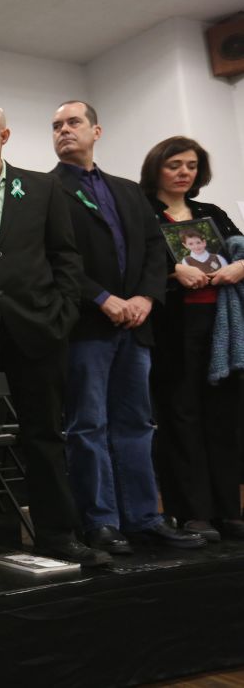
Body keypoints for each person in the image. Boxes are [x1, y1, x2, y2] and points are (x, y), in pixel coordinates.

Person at [0, 103, 109, 579]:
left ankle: (58, 535)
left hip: (38, 328)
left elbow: (66, 256)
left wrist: (64, 314)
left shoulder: (45, 189)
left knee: (46, 435)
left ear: (4, 137)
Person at [49, 101, 204, 552]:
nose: (64, 131)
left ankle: (144, 518)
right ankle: (101, 522)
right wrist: (102, 298)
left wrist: (144, 298)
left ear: (96, 131)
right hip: (85, 326)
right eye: (56, 126)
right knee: (87, 426)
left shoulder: (130, 191)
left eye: (73, 123)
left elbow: (158, 252)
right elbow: (53, 259)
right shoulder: (45, 190)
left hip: (135, 326)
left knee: (137, 423)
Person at [140, 136, 244, 542]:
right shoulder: (144, 213)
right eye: (174, 165)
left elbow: (239, 251)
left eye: (191, 166)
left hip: (221, 326)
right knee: (180, 416)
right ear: (157, 168)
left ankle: (228, 510)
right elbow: (133, 265)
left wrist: (239, 269)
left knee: (223, 417)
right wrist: (172, 273)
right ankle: (192, 512)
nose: (184, 173)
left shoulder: (210, 212)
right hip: (172, 326)